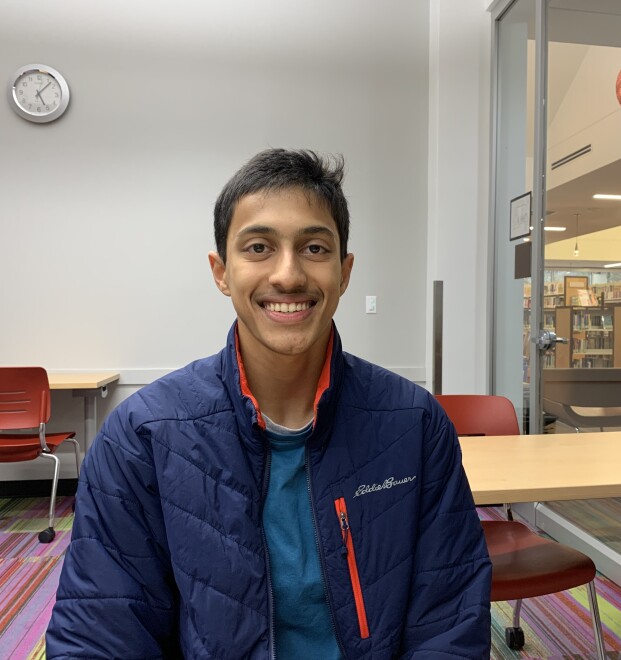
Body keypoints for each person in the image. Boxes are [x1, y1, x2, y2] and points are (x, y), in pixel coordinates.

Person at [46, 148, 491, 658]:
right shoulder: (143, 435)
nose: (288, 274)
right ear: (221, 272)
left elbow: (450, 619)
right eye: (258, 247)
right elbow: (100, 633)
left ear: (344, 273)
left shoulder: (413, 424)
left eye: (315, 248)